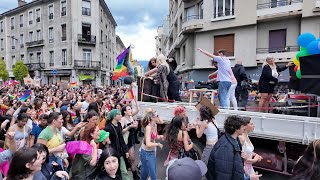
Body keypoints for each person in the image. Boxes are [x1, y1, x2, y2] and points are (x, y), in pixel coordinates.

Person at [206, 115, 262, 180]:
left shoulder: (234, 140)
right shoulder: (225, 148)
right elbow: (224, 175)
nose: (244, 128)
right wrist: (249, 178)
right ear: (236, 129)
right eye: (242, 126)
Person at [104, 109, 130, 180]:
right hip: (112, 153)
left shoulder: (118, 125)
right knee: (115, 172)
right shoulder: (108, 128)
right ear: (114, 116)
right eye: (119, 114)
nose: (121, 115)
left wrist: (126, 150)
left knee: (123, 170)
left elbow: (121, 139)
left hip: (119, 152)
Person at [140, 108, 164, 180]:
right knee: (149, 173)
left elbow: (154, 136)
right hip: (146, 152)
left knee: (150, 172)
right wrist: (158, 144)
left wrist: (160, 136)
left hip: (151, 151)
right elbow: (148, 143)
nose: (159, 117)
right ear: (152, 118)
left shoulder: (154, 125)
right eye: (157, 115)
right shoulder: (148, 128)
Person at [120, 105, 139, 180]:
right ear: (124, 112)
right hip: (125, 141)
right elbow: (120, 131)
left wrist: (136, 125)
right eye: (128, 109)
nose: (130, 110)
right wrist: (129, 127)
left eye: (130, 108)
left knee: (132, 159)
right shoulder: (123, 119)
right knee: (128, 159)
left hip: (131, 140)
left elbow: (135, 129)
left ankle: (135, 175)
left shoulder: (131, 117)